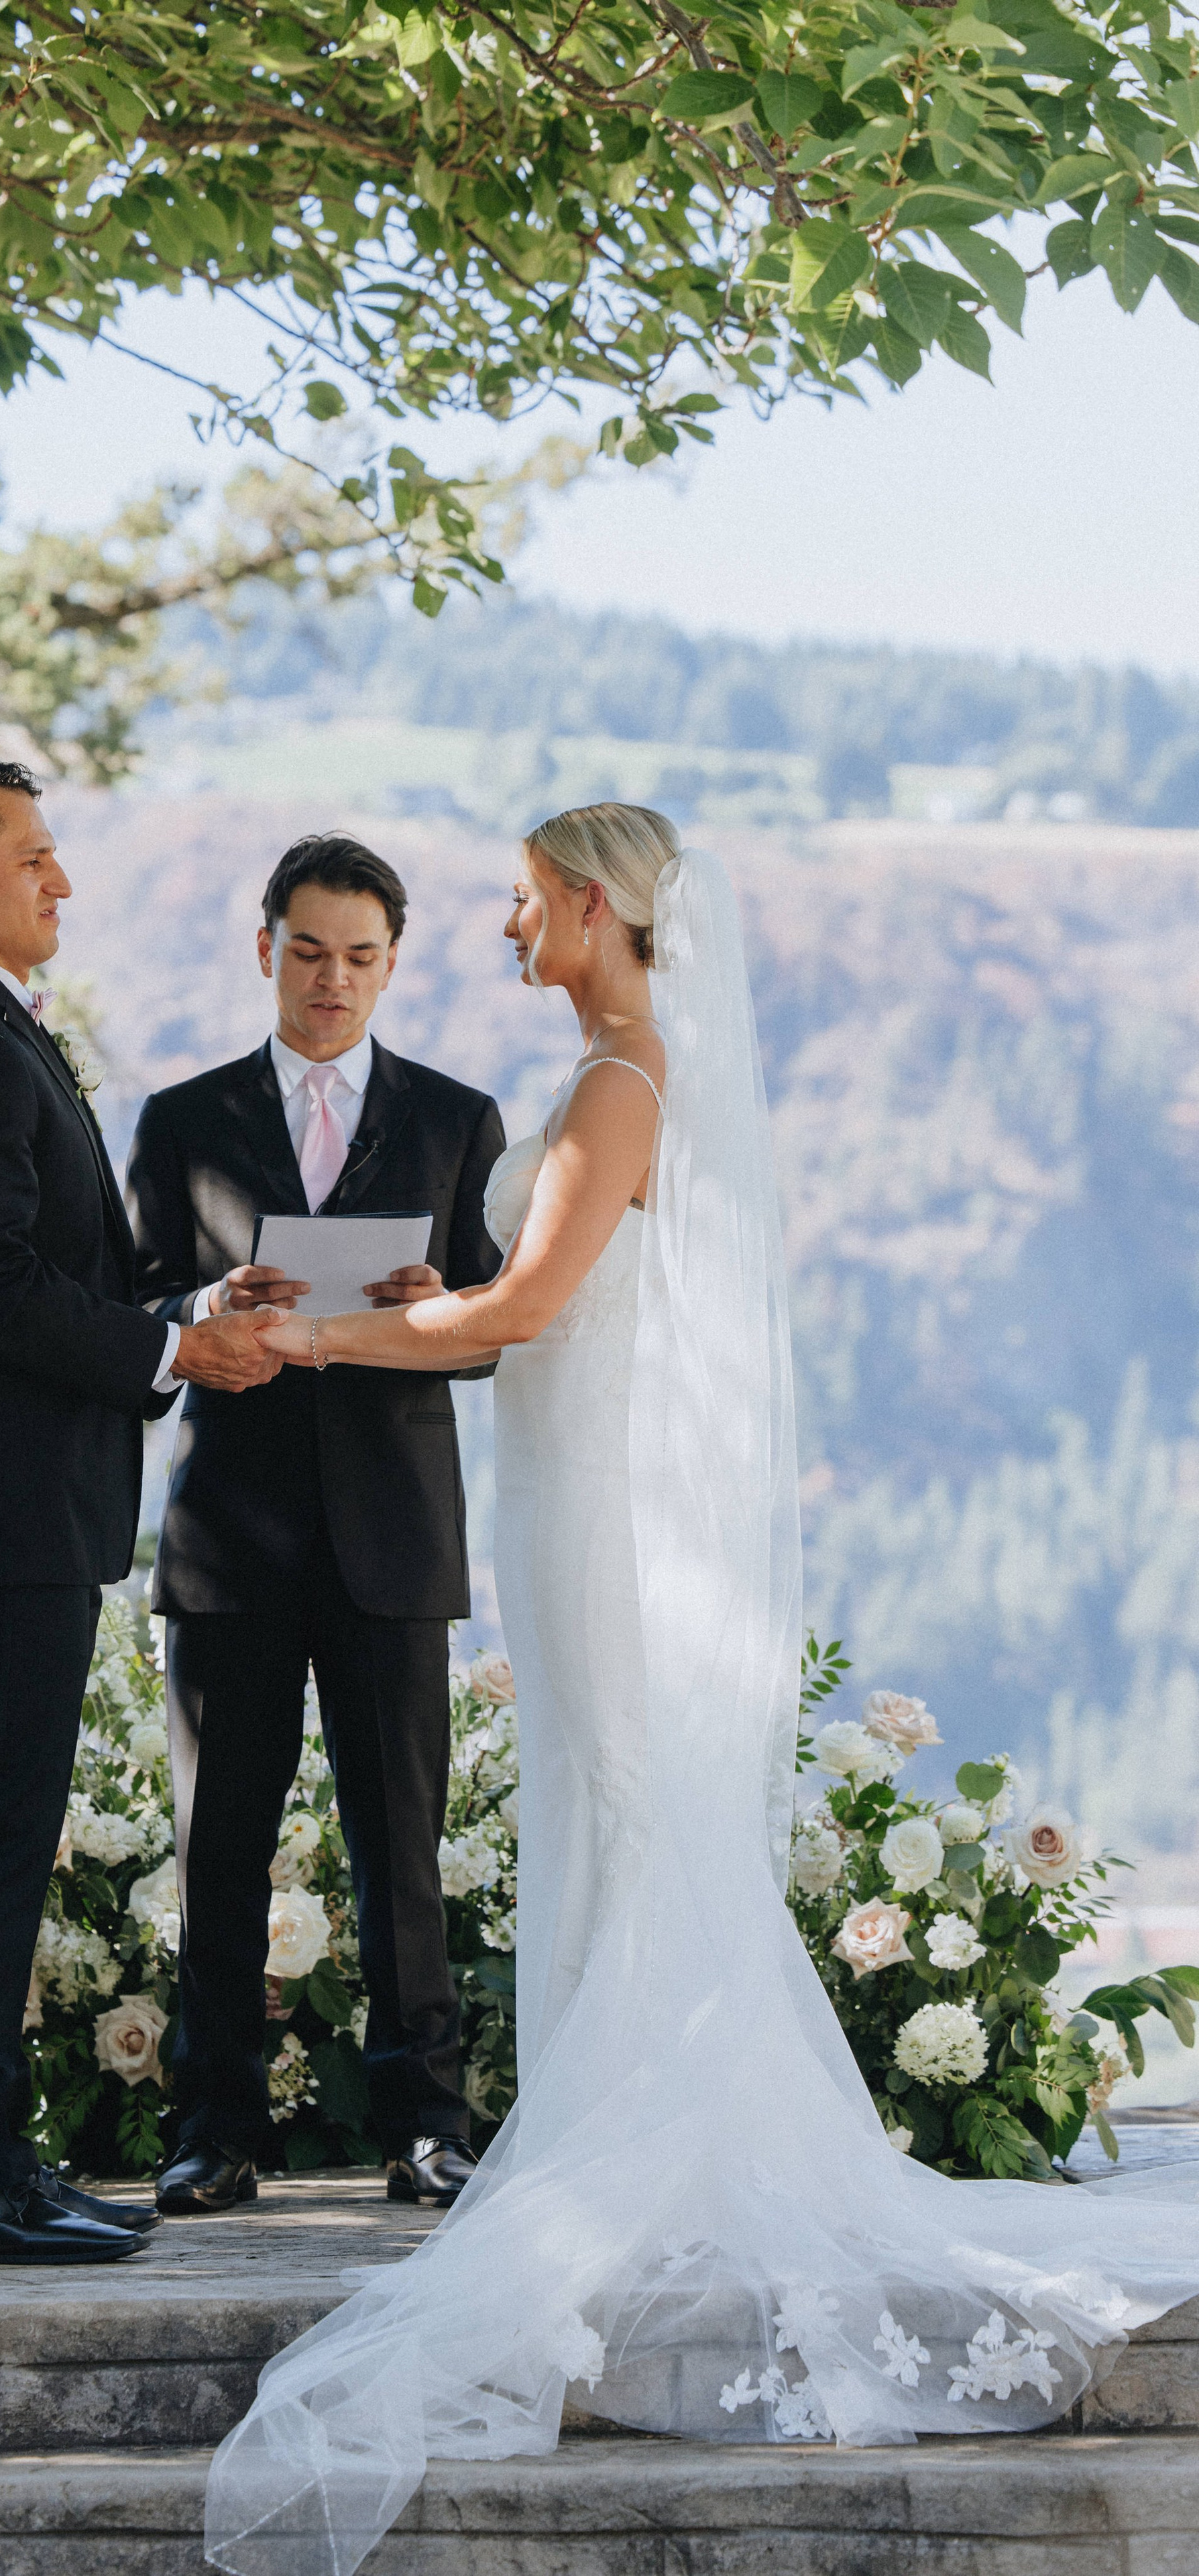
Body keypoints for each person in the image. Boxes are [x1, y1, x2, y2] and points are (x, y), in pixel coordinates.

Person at [204, 803, 1199, 2576]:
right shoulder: (622, 1079)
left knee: (620, 1791)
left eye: (524, 905)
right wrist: (449, 1291)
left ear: (593, 908)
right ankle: (610, 2131)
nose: (508, 932)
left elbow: (528, 1315)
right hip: (572, 1480)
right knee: (608, 1789)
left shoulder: (615, 1087)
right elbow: (548, 1292)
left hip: (593, 1504)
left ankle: (623, 2157)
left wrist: (322, 1332)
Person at [0, 749, 280, 2266]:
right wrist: (176, 1348)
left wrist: (186, 1301)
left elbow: (44, 1279)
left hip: (21, 1503)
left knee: (4, 1826)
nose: (63, 879)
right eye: (29, 854)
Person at [126, 833, 508, 2216]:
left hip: (394, 1534)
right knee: (217, 1847)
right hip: (228, 1536)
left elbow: (489, 1336)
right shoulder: (181, 1118)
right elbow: (140, 1303)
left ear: (391, 964)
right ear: (263, 950)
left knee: (400, 1842)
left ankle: (426, 2127)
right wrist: (205, 1311)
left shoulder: (459, 1119)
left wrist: (428, 1308)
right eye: (306, 951)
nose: (331, 980)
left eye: (359, 956)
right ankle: (209, 2132)